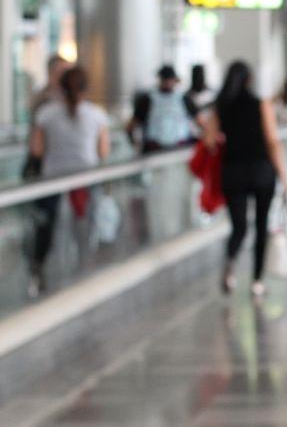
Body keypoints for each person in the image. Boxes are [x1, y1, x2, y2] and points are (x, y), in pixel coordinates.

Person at [201, 61, 287, 297]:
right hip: (261, 171)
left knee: (239, 226)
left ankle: (230, 266)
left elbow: (209, 141)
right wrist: (284, 176)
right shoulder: (261, 104)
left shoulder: (220, 106)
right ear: (249, 80)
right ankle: (257, 281)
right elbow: (272, 141)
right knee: (261, 225)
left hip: (233, 172)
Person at [28, 66, 110, 296]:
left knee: (48, 226)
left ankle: (40, 272)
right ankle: (83, 273)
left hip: (52, 180)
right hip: (85, 179)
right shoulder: (97, 114)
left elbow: (36, 150)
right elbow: (103, 151)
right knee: (83, 228)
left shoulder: (46, 114)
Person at [126, 65, 194, 153]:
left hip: (179, 150)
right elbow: (130, 126)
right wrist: (135, 145)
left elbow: (200, 121)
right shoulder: (148, 99)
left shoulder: (184, 98)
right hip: (154, 150)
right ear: (160, 80)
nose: (167, 83)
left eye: (170, 79)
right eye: (165, 80)